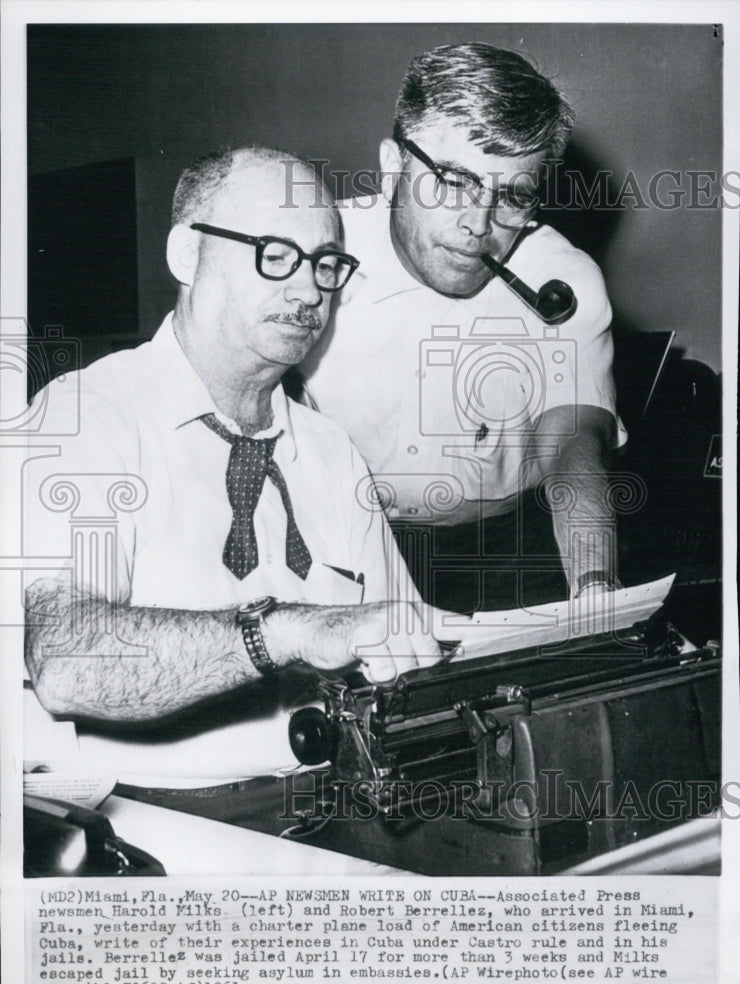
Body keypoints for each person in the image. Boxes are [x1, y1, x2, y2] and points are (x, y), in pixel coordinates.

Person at [23, 147, 442, 778]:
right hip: (152, 818)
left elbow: (405, 652)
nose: (309, 291)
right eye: (275, 255)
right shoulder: (86, 418)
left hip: (333, 802)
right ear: (186, 255)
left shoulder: (333, 452)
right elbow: (66, 663)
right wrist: (285, 631)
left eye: (326, 264)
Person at [301, 42, 627, 614]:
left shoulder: (559, 280)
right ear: (393, 167)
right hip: (337, 542)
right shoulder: (311, 255)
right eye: (453, 181)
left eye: (513, 197)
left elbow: (574, 445)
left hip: (503, 547)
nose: (479, 225)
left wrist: (596, 588)